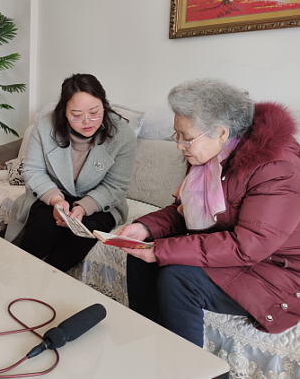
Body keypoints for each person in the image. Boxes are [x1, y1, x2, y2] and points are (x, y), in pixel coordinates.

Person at [118, 78, 300, 347]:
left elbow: (249, 246)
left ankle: (189, 365)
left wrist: (163, 250)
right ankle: (146, 343)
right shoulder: (212, 156)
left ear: (221, 132)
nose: (179, 145)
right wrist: (145, 228)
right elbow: (185, 211)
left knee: (178, 277)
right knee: (140, 252)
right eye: (176, 134)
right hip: (233, 253)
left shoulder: (276, 168)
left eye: (186, 137)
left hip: (275, 269)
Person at [11, 73, 137, 272]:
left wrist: (83, 208)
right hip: (54, 194)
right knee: (42, 230)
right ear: (64, 111)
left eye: (94, 113)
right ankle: (21, 278)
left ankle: (49, 280)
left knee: (80, 236)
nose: (87, 121)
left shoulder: (122, 135)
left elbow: (115, 185)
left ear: (104, 106)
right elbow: (33, 170)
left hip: (100, 203)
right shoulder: (45, 127)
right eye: (76, 115)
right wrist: (55, 200)